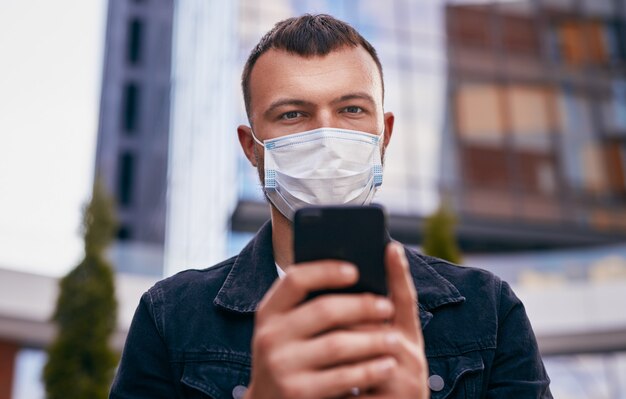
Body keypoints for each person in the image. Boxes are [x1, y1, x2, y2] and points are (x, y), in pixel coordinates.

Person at [109, 14, 552, 399]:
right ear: (251, 147)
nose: (327, 136)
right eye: (292, 114)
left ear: (385, 134)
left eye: (352, 109)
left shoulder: (489, 312)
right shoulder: (171, 318)